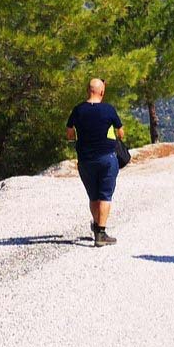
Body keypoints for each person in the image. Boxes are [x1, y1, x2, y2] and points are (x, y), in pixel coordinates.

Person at [65, 78, 125, 247]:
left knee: (93, 195)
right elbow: (121, 133)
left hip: (85, 159)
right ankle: (101, 233)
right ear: (101, 92)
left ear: (87, 90)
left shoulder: (78, 110)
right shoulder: (108, 110)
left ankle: (97, 226)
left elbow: (69, 134)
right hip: (107, 157)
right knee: (105, 195)